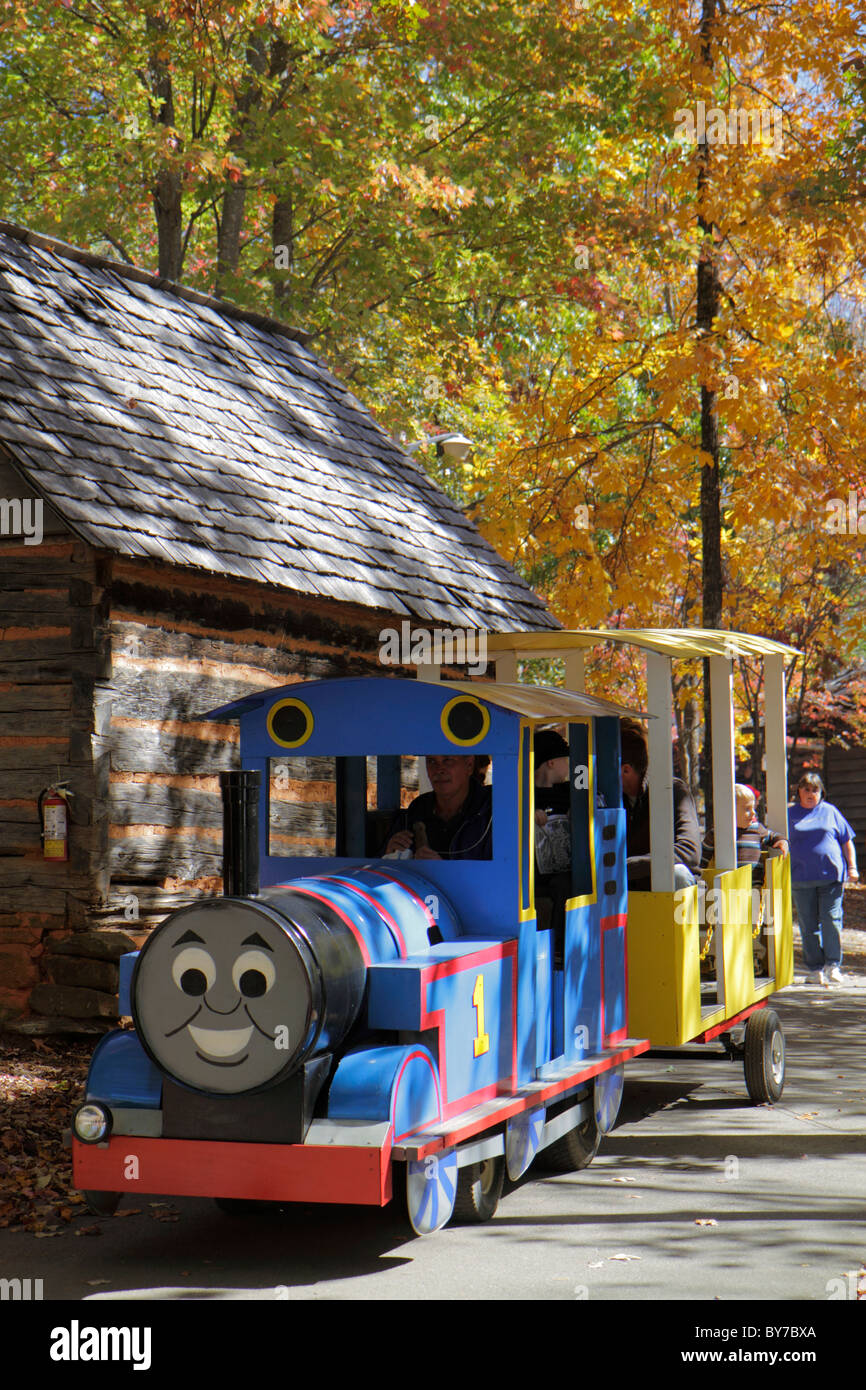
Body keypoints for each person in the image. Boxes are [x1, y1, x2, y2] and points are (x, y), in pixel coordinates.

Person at [788, 772, 858, 987]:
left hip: (831, 876)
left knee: (830, 919)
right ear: (799, 791)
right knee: (808, 924)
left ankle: (832, 964)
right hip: (801, 877)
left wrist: (853, 867)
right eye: (806, 789)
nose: (811, 793)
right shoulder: (789, 814)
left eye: (815, 790)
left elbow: (847, 841)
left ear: (821, 792)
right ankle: (815, 969)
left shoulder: (830, 811)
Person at [620, 718, 701, 891]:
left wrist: (627, 867)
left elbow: (689, 851)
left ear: (625, 770)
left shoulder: (673, 790)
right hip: (628, 893)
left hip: (668, 891)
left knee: (678, 874)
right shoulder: (606, 799)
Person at [382, 754, 492, 860]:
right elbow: (382, 870)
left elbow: (502, 873)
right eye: (431, 761)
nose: (439, 770)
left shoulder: (491, 808)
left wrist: (441, 869)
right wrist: (389, 854)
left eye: (448, 760)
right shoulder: (417, 808)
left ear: (469, 765)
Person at [701, 784, 789, 879]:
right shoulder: (717, 833)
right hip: (729, 885)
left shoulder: (756, 829)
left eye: (753, 808)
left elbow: (772, 836)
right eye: (747, 809)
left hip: (754, 884)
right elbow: (702, 859)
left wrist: (781, 841)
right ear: (730, 811)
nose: (753, 812)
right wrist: (698, 880)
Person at [533, 729, 571, 875]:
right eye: (565, 760)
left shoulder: (569, 793)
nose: (568, 766)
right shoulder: (524, 796)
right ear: (551, 762)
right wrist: (528, 817)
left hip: (567, 875)